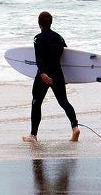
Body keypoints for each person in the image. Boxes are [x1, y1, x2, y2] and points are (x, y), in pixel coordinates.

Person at [22, 11, 80, 143]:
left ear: (39, 24)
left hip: (44, 75)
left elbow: (39, 58)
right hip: (58, 74)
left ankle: (33, 136)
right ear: (51, 22)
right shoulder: (59, 38)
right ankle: (75, 127)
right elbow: (66, 57)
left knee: (36, 102)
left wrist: (42, 73)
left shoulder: (38, 38)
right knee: (63, 101)